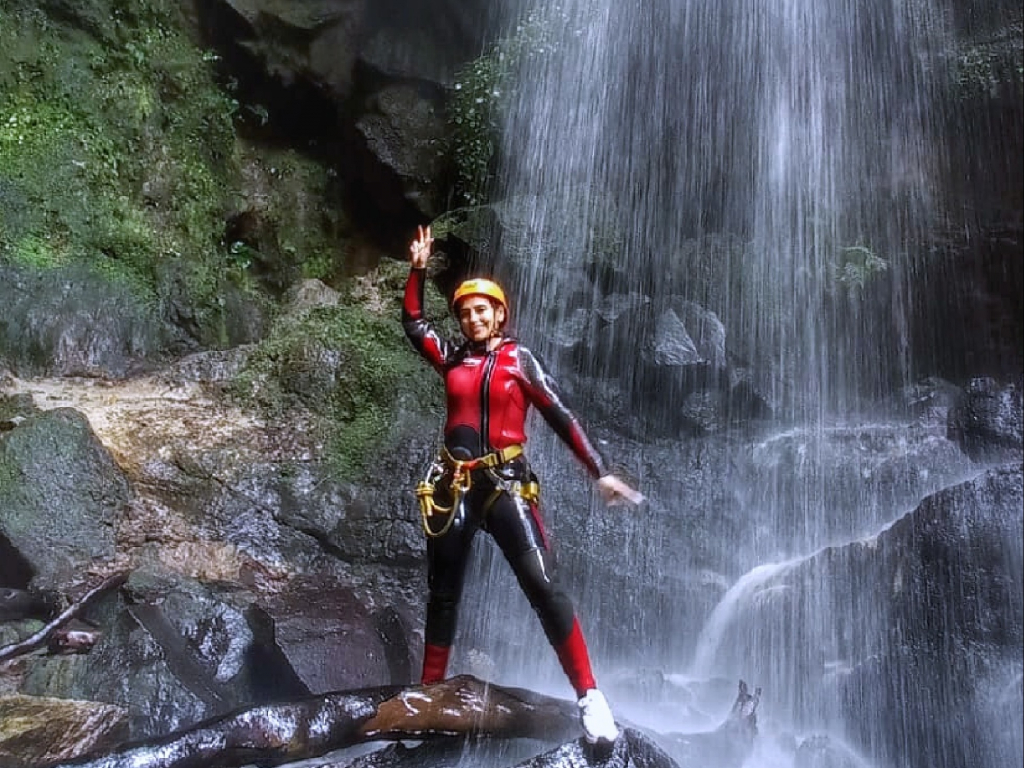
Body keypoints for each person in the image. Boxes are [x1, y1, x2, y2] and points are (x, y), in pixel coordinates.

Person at [402, 224, 642, 744]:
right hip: (454, 485)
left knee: (544, 586)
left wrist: (600, 471)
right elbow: (414, 322)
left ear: (500, 314)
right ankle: (426, 698)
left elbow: (561, 415)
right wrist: (418, 271)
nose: (473, 318)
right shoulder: (452, 356)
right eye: (466, 312)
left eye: (482, 310)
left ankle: (590, 698)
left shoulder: (519, 359)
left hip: (506, 484)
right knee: (442, 595)